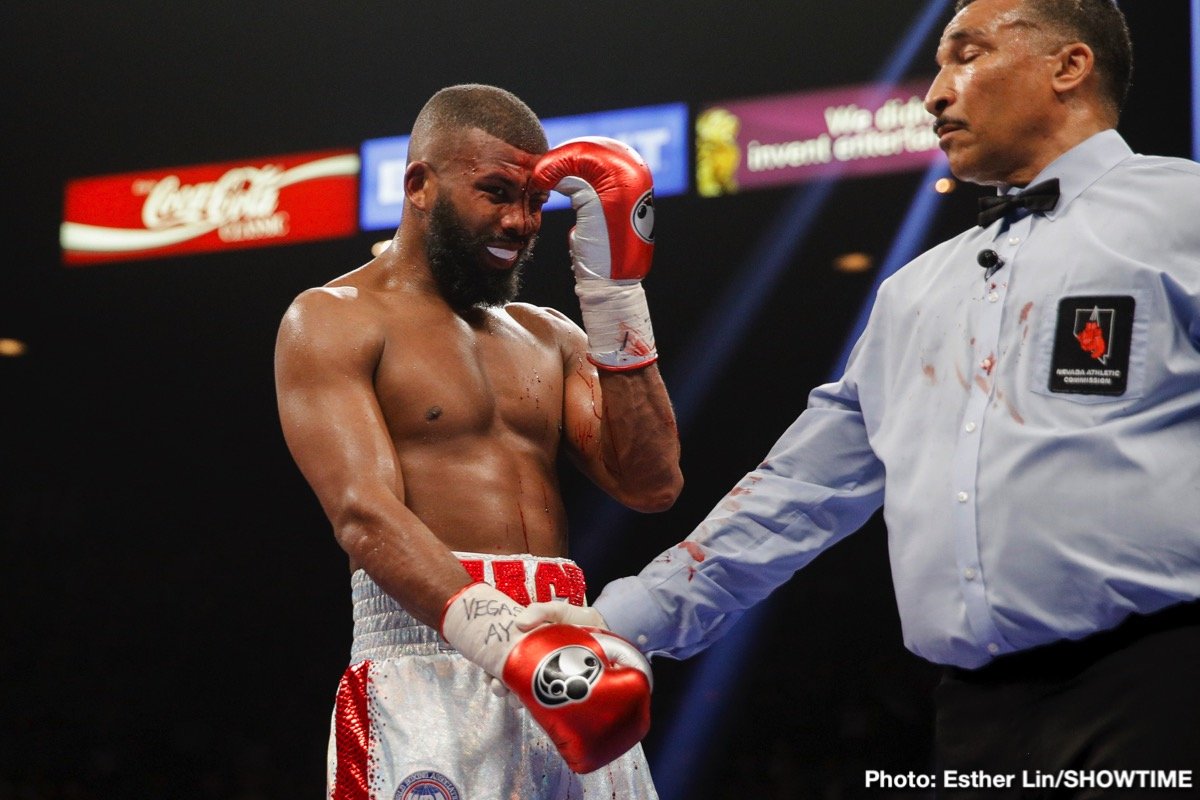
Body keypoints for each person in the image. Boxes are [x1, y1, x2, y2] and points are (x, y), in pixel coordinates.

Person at [521, 0, 1200, 795]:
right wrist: (621, 619)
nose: (935, 94)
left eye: (967, 56)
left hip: (1160, 681)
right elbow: (801, 489)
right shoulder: (916, 291)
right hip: (974, 715)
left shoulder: (1180, 214)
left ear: (1068, 67)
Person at [274, 83, 682, 799]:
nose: (522, 220)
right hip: (425, 659)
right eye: (496, 192)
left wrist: (616, 294)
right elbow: (362, 514)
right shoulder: (334, 319)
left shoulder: (551, 333)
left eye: (535, 202)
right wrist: (505, 641)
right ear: (419, 185)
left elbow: (652, 483)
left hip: (566, 653)